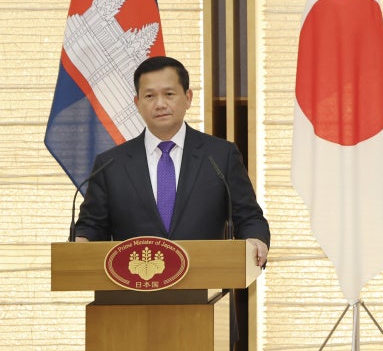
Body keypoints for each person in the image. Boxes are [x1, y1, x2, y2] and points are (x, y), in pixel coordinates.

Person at [75, 56, 269, 267]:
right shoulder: (110, 164)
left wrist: (255, 240)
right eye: (149, 96)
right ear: (137, 103)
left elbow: (249, 217)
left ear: (188, 98)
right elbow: (92, 226)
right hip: (132, 289)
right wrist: (81, 242)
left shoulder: (220, 156)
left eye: (169, 94)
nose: (160, 104)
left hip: (203, 283)